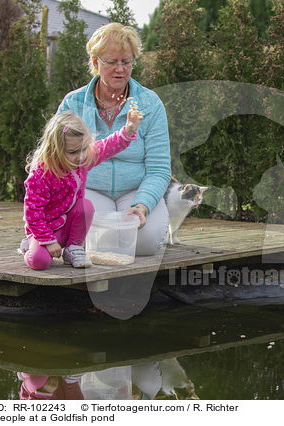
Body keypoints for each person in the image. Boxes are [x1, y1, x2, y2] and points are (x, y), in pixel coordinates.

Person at [57, 22, 171, 256]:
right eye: (112, 62)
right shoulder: (72, 103)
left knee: (145, 243)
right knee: (101, 243)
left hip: (135, 189)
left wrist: (142, 206)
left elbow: (159, 169)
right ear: (96, 62)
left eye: (126, 62)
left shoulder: (151, 104)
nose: (120, 69)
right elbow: (57, 161)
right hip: (90, 190)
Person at [20, 108, 143, 270]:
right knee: (39, 262)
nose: (80, 156)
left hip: (68, 226)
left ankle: (73, 248)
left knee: (86, 206)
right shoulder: (41, 174)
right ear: (54, 150)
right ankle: (29, 245)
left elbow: (107, 146)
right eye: (72, 152)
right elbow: (32, 212)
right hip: (46, 229)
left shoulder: (83, 160)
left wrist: (128, 130)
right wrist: (47, 240)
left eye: (84, 149)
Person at [18, 373, 84, 400]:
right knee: (71, 378)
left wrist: (43, 393)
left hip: (36, 380)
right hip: (63, 383)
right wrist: (69, 383)